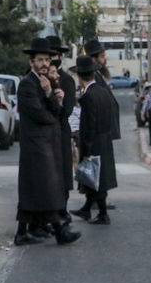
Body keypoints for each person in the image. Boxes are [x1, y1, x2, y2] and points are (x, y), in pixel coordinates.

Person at [14, 38, 81, 247]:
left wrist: (53, 95)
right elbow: (43, 115)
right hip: (36, 145)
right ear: (31, 62)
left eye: (47, 60)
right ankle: (60, 229)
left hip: (46, 143)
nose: (44, 63)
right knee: (46, 188)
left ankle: (21, 233)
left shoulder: (45, 82)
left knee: (33, 189)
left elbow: (61, 112)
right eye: (40, 60)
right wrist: (51, 99)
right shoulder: (28, 84)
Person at [75, 40, 121, 222]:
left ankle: (102, 214)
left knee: (97, 177)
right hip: (104, 139)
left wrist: (85, 150)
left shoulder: (88, 96)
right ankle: (88, 209)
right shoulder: (102, 91)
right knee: (96, 177)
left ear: (79, 76)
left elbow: (88, 126)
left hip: (95, 142)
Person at [46, 36, 77, 213]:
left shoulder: (67, 80)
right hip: (44, 135)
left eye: (56, 55)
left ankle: (61, 212)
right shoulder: (36, 79)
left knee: (62, 177)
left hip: (61, 132)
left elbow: (67, 110)